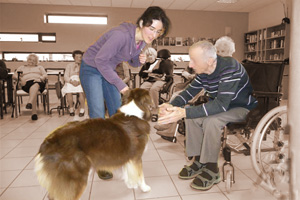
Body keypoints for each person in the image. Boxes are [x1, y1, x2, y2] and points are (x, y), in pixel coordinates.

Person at [79, 6, 171, 180]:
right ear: (142, 23)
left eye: (158, 31)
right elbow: (100, 60)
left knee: (117, 112)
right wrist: (121, 85)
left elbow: (131, 61)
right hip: (92, 68)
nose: (153, 35)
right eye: (151, 29)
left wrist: (139, 60)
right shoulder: (120, 35)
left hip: (108, 69)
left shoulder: (142, 40)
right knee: (98, 113)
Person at [158, 41, 257, 191]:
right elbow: (188, 92)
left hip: (241, 107)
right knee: (192, 116)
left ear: (210, 61)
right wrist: (171, 105)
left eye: (194, 60)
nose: (190, 65)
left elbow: (222, 105)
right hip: (221, 106)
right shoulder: (204, 72)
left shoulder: (230, 68)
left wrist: (183, 112)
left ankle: (212, 168)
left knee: (211, 121)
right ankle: (198, 161)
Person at [139, 49, 174, 122]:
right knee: (142, 89)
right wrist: (146, 73)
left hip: (160, 80)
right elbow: (141, 74)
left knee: (153, 89)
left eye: (151, 55)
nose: (150, 57)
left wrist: (152, 71)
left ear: (155, 55)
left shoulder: (162, 62)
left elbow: (164, 72)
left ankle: (155, 111)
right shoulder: (147, 64)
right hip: (150, 80)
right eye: (148, 55)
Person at [13, 54, 48, 120]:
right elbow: (14, 76)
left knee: (35, 85)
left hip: (38, 81)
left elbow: (45, 75)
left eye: (34, 60)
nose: (31, 61)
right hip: (26, 83)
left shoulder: (39, 67)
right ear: (27, 60)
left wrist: (40, 78)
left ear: (36, 61)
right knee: (34, 88)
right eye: (30, 59)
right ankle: (33, 111)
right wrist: (20, 79)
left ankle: (31, 105)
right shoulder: (21, 67)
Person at [61, 50, 86, 117]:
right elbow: (66, 76)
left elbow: (85, 75)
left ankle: (82, 109)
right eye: (76, 57)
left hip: (80, 80)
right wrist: (71, 81)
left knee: (81, 90)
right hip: (71, 80)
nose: (78, 58)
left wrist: (79, 81)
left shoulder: (84, 65)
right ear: (74, 58)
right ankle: (71, 108)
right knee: (69, 91)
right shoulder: (69, 65)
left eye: (80, 57)